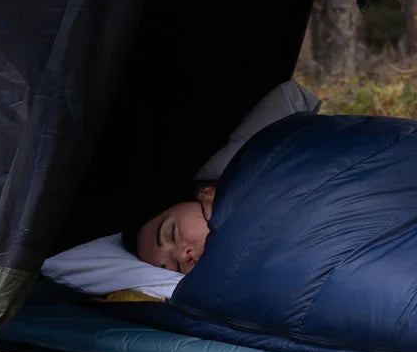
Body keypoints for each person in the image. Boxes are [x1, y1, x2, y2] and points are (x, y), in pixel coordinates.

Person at [125, 80, 320, 272]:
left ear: (204, 193)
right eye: (174, 268)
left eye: (172, 233)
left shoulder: (238, 164)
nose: (183, 256)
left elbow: (291, 97)